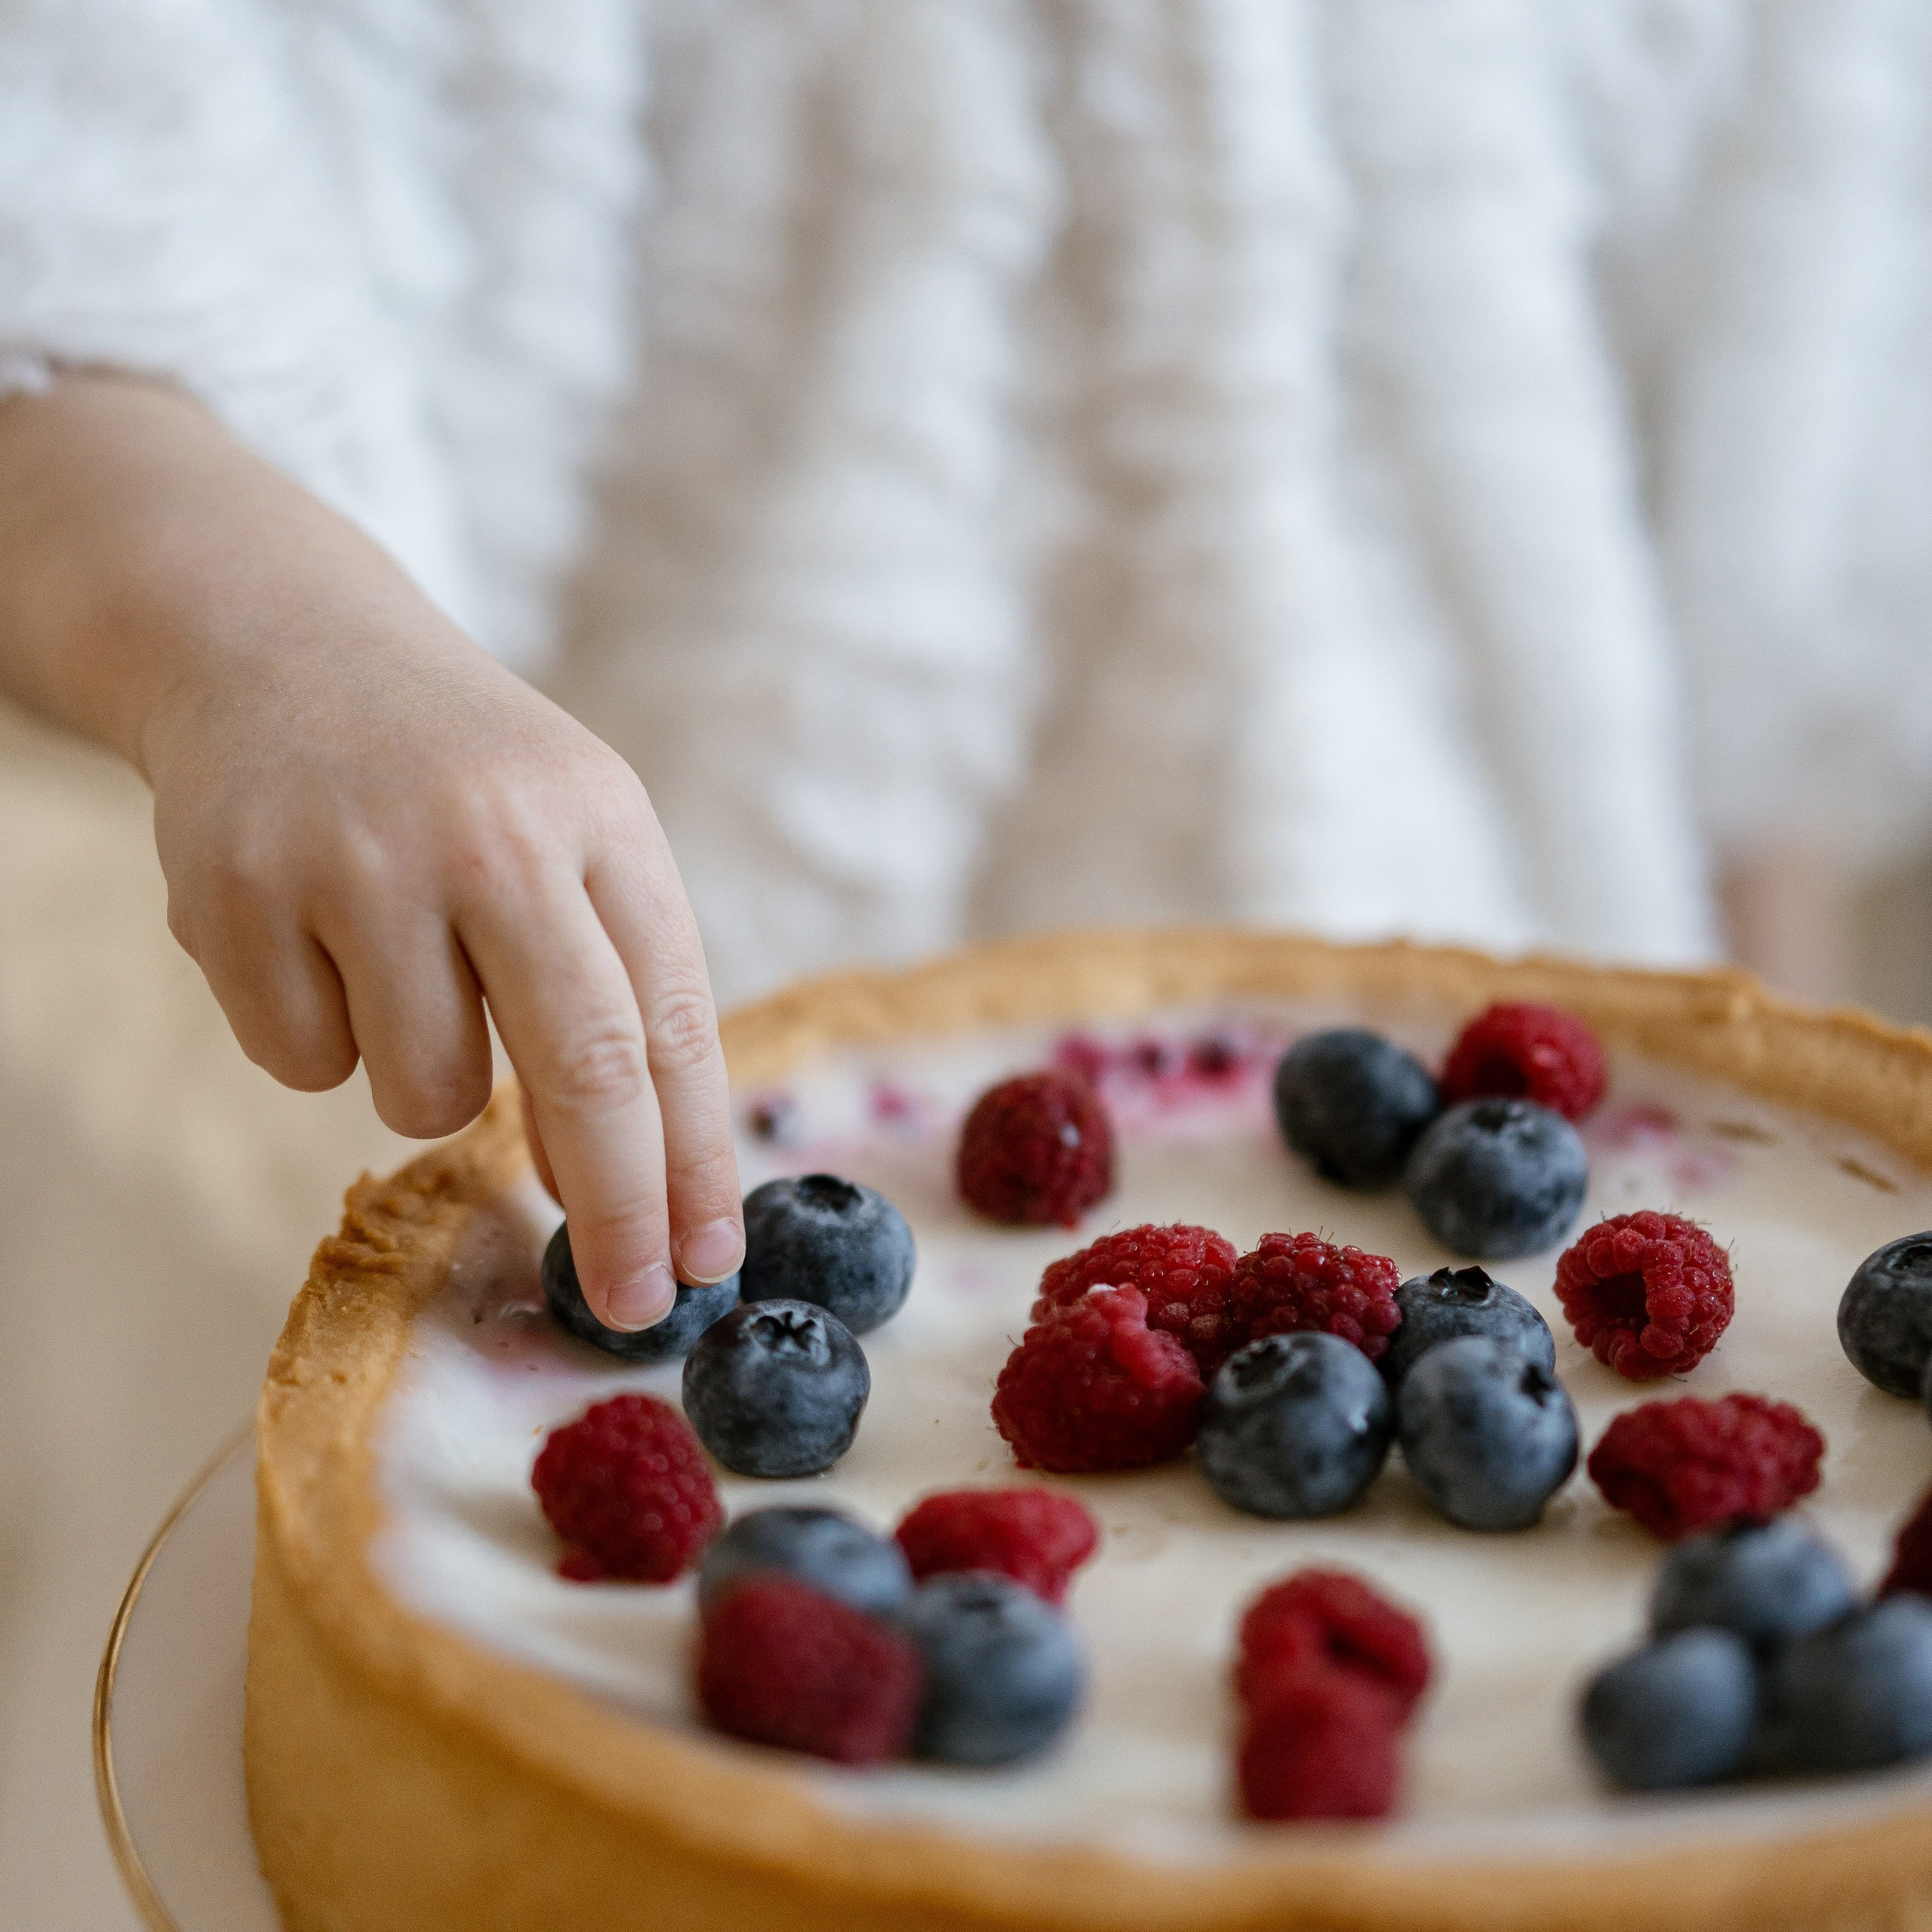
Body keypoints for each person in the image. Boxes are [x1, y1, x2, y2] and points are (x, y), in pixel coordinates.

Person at [6, 0, 1932, 1333]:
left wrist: (1775, 1201)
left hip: (1503, 1158)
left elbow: (1778, 522)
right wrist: (273, 633)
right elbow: (72, 181)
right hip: (512, 1163)